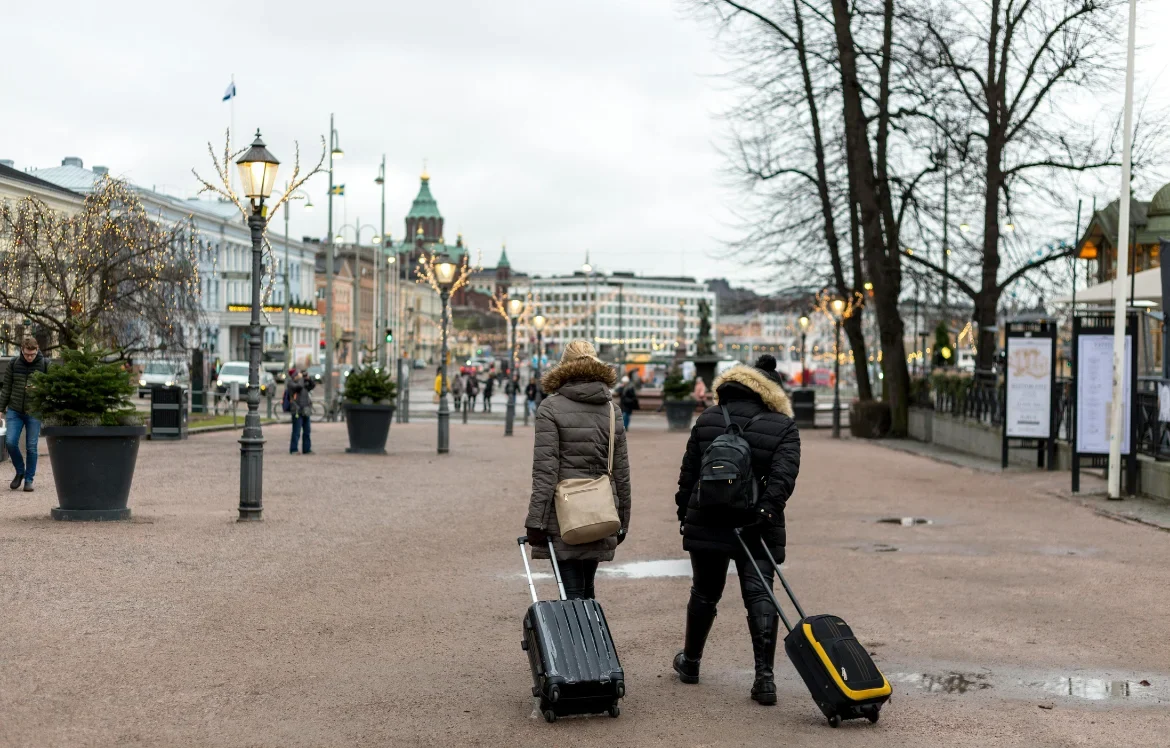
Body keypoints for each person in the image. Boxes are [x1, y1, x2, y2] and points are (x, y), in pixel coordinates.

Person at [671, 354, 800, 706]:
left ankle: (692, 663)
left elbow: (689, 473)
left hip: (708, 516)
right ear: (772, 391)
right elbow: (783, 478)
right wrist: (767, 513)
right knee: (760, 595)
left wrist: (685, 512)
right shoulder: (783, 425)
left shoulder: (709, 418)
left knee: (704, 592)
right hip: (755, 523)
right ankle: (765, 679)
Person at [525, 341, 632, 600]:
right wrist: (623, 520)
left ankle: (577, 640)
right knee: (587, 588)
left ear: (564, 368)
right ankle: (594, 638)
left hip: (564, 511)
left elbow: (545, 471)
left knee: (571, 593)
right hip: (600, 507)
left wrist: (536, 521)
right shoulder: (611, 410)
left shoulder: (550, 408)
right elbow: (621, 471)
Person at [1, 336, 49, 492]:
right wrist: (1, 409)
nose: (30, 357)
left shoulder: (45, 364)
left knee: (31, 447)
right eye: (27, 354)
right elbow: (6, 387)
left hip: (34, 411)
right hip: (14, 409)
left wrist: (41, 391)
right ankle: (20, 471)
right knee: (10, 442)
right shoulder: (14, 364)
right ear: (22, 350)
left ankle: (29, 479)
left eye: (32, 354)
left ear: (37, 350)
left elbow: (51, 387)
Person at [286, 369, 313, 454]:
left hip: (306, 409)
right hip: (297, 410)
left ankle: (307, 449)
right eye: (298, 374)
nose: (300, 375)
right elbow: (299, 387)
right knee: (296, 431)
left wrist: (308, 379)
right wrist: (301, 379)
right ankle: (293, 449)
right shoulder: (291, 383)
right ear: (294, 376)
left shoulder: (303, 382)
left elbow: (312, 386)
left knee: (307, 431)